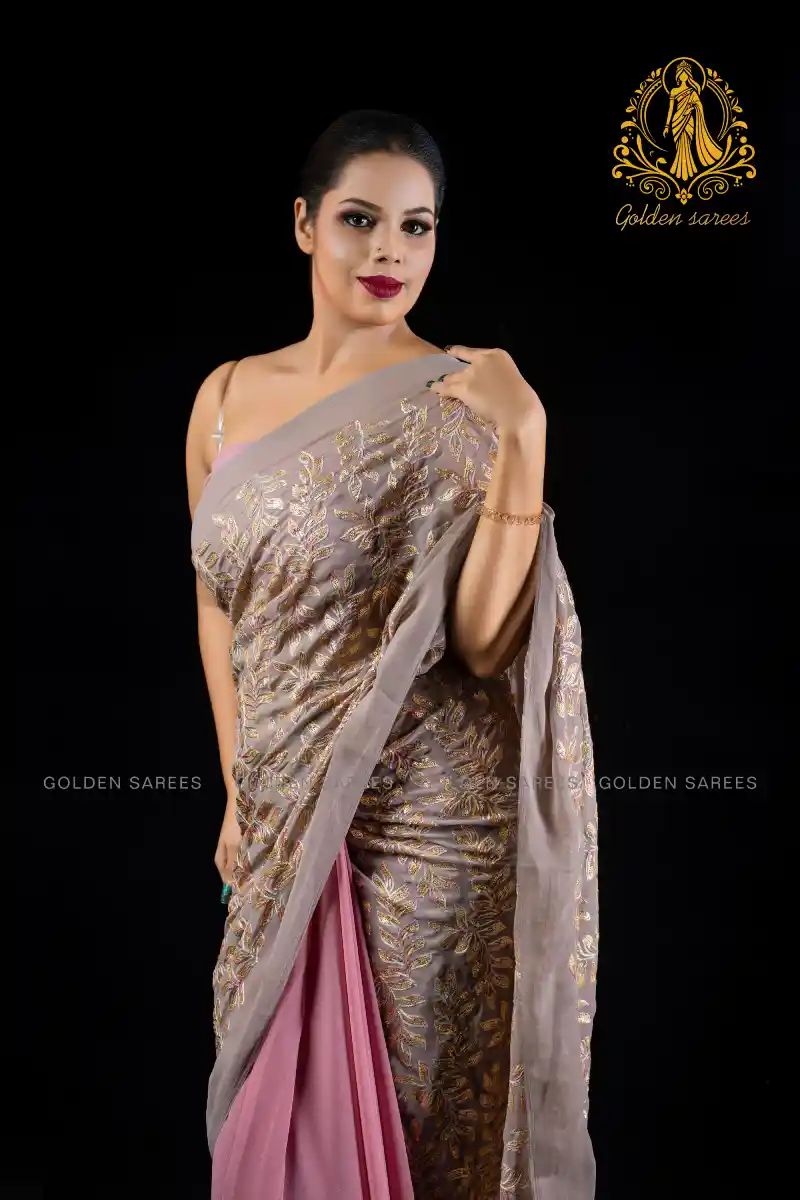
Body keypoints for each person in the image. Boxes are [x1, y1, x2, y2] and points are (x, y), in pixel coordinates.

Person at [186, 109, 599, 1200]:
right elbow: (218, 601)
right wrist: (238, 790)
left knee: (422, 1133)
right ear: (303, 224)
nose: (388, 251)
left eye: (417, 227)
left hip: (430, 832)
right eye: (360, 220)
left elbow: (484, 643)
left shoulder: (460, 402)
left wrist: (526, 438)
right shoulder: (223, 399)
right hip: (282, 812)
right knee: (275, 1120)